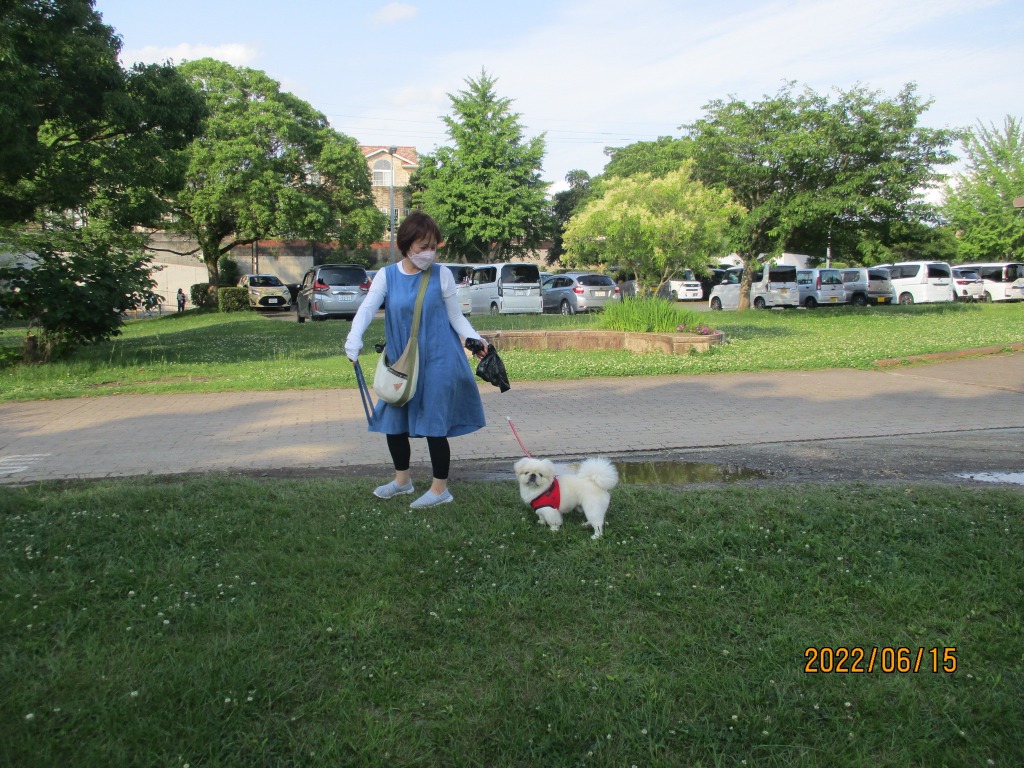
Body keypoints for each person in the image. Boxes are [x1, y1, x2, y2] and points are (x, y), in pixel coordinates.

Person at [345, 211, 488, 509]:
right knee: (394, 422)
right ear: (407, 244)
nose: (429, 253)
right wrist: (354, 337)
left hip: (439, 358)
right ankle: (402, 481)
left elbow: (456, 318)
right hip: (402, 361)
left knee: (435, 424)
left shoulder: (442, 274)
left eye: (433, 247)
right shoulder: (387, 275)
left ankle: (440, 489)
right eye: (423, 247)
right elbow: (368, 308)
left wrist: (476, 340)